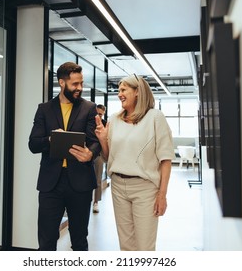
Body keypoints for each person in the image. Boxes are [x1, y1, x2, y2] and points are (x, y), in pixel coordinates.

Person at [94, 74, 175, 251]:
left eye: (123, 90)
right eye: (118, 90)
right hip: (118, 186)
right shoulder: (115, 119)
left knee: (144, 247)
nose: (119, 94)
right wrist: (103, 140)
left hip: (145, 188)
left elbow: (165, 159)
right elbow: (109, 157)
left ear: (137, 91)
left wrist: (162, 195)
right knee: (126, 246)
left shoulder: (155, 117)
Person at [28, 61, 101, 251]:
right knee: (46, 240)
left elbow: (95, 142)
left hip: (81, 183)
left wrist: (90, 153)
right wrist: (51, 139)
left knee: (79, 240)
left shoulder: (89, 108)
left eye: (81, 83)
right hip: (51, 184)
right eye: (75, 84)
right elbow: (33, 144)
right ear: (61, 82)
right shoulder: (44, 109)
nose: (79, 88)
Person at [93, 104, 106, 213]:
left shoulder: (106, 125)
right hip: (88, 154)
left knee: (98, 179)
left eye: (100, 114)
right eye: (97, 113)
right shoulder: (89, 123)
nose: (98, 116)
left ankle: (96, 202)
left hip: (99, 155)